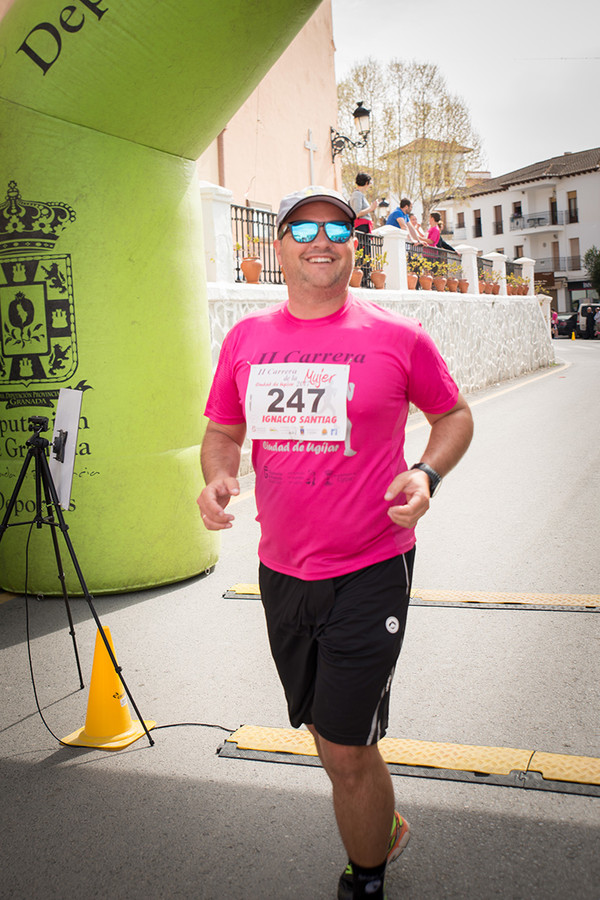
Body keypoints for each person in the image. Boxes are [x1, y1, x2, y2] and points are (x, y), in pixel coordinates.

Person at [198, 185, 474, 900]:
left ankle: (367, 875)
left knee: (347, 748)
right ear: (278, 246)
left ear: (356, 244)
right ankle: (379, 821)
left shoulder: (398, 336)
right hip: (282, 571)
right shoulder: (245, 340)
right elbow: (223, 430)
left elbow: (453, 416)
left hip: (372, 565)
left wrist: (426, 472)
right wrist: (219, 476)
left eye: (338, 227)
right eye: (302, 226)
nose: (321, 239)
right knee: (326, 732)